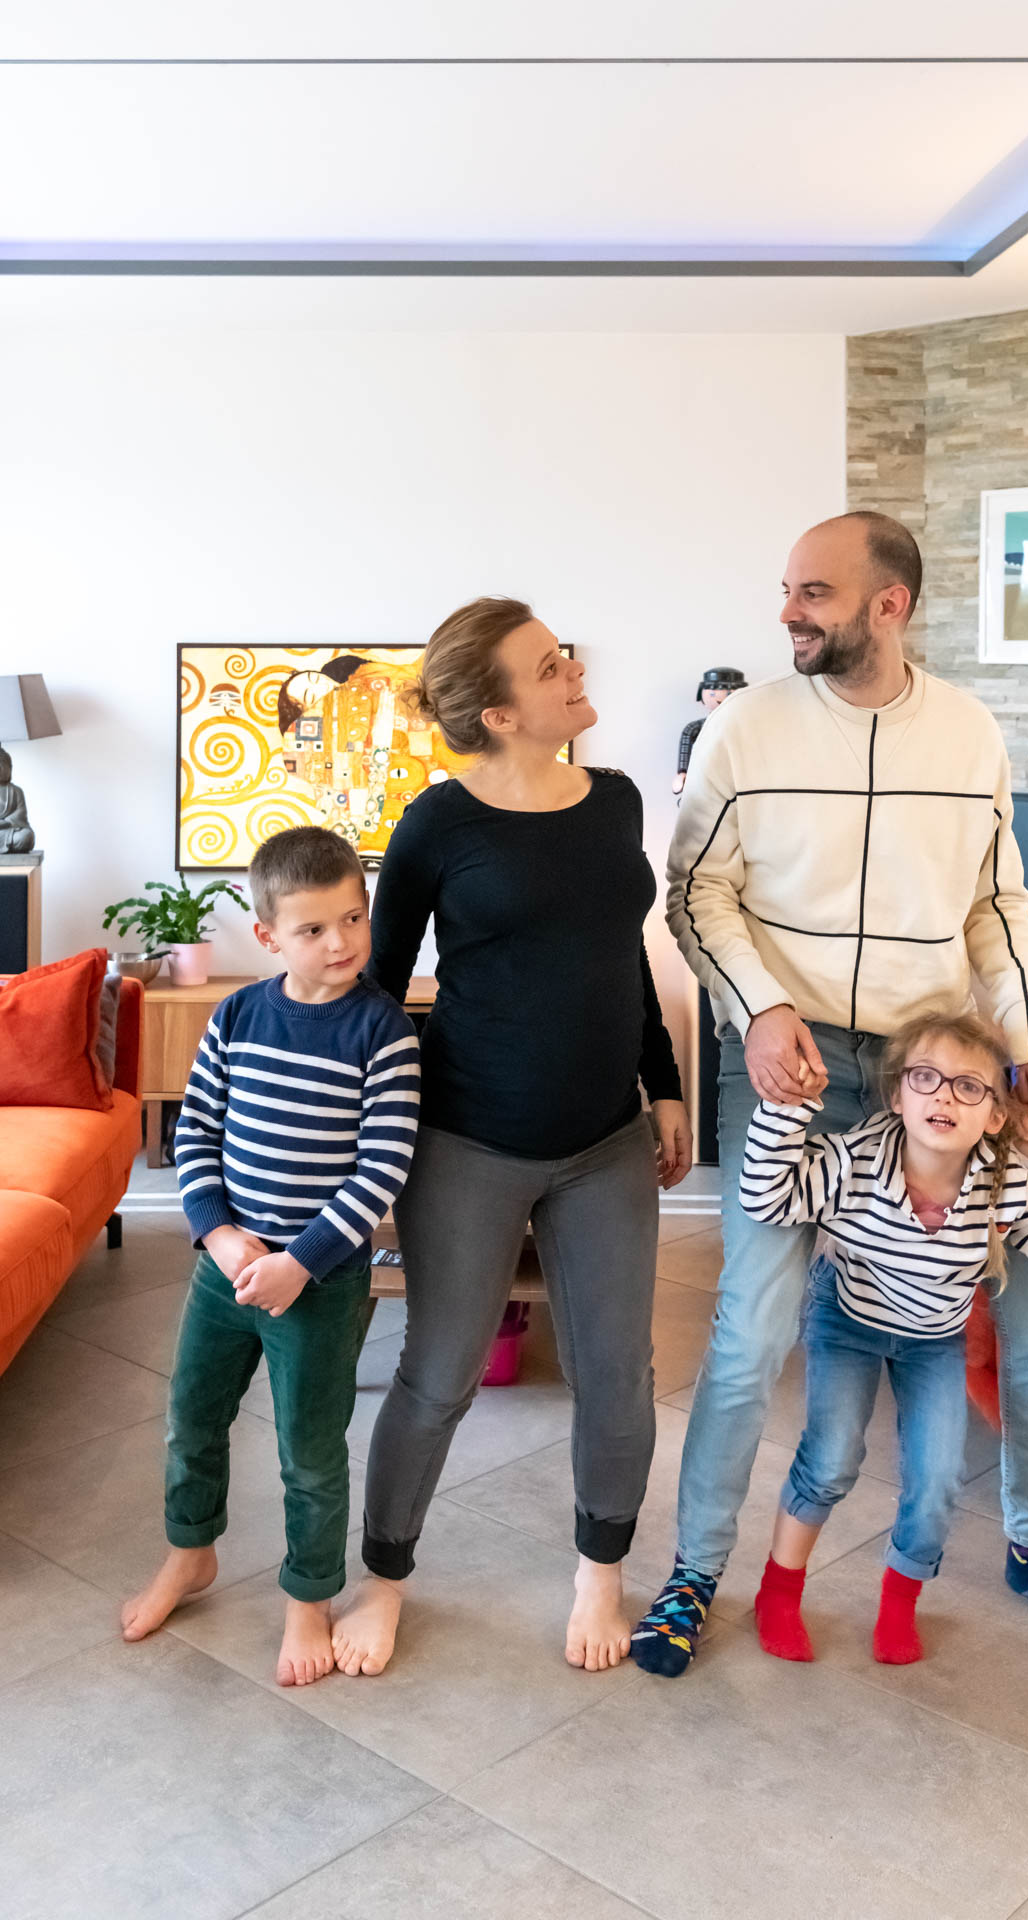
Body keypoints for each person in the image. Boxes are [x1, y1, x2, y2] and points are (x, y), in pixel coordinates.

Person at [630, 509, 1028, 1676]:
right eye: (784, 590)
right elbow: (693, 893)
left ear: (887, 604)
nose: (785, 613)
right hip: (784, 1050)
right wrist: (758, 1008)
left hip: (938, 1059)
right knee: (749, 1330)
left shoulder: (967, 735)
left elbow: (995, 910)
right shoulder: (745, 729)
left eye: (810, 592)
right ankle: (694, 1575)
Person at [331, 597, 692, 1680]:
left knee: (617, 1375)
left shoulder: (617, 802)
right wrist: (363, 1137)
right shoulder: (438, 826)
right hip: (467, 1140)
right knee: (437, 1376)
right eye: (546, 667)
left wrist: (663, 1088)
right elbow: (382, 989)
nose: (572, 669)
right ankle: (383, 1580)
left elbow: (621, 955)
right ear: (497, 712)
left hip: (603, 1142)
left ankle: (598, 1572)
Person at [121, 827, 421, 1686]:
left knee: (311, 1452)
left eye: (354, 919)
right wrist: (219, 1235)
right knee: (193, 1417)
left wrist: (301, 1263)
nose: (342, 943)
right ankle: (190, 1552)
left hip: (318, 1288)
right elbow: (198, 1134)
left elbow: (382, 1168)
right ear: (268, 937)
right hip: (224, 1272)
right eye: (315, 929)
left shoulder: (384, 1031)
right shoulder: (238, 1015)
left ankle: (307, 1598)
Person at [743, 1010, 1028, 1665]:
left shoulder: (1003, 1183)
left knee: (938, 1477)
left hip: (933, 1339)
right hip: (848, 1320)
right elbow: (766, 1200)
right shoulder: (853, 1157)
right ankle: (778, 1591)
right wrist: (787, 1112)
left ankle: (897, 1605)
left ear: (995, 1116)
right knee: (830, 1460)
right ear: (896, 1096)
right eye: (925, 1078)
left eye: (968, 1087)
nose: (944, 1095)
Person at [673, 668, 747, 796]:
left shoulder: (746, 727)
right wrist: (682, 773)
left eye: (729, 694)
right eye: (712, 694)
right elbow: (686, 745)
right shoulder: (695, 727)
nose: (720, 699)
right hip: (704, 780)